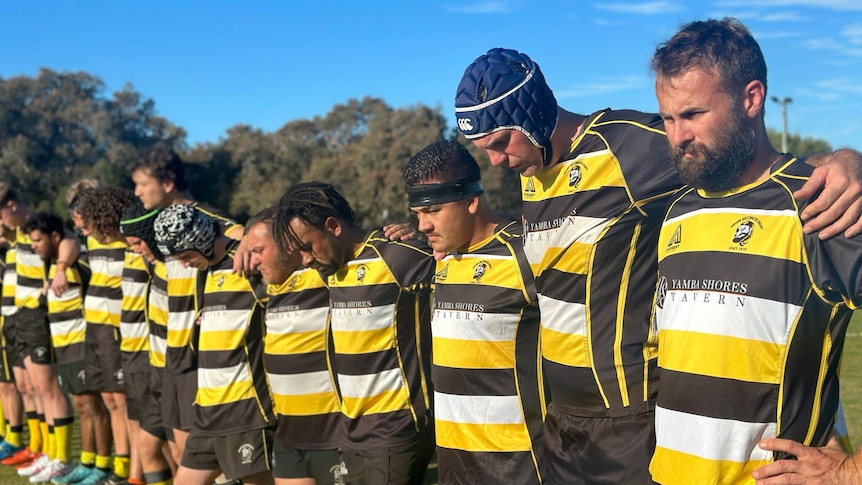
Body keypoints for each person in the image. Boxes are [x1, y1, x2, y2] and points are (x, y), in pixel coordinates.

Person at [455, 47, 862, 484]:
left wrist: (845, 164)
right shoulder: (530, 176)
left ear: (531, 112)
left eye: (500, 143)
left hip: (626, 425)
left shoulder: (626, 146)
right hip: (564, 426)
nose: (495, 161)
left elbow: (744, 164)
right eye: (484, 150)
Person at [648, 17, 862, 484]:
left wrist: (849, 472)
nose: (677, 135)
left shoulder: (818, 203)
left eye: (693, 115)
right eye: (667, 118)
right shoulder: (677, 212)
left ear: (752, 98)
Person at [403, 140, 545, 484]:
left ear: (471, 200)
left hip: (519, 464)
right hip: (453, 463)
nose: (423, 225)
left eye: (433, 211)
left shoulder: (526, 253)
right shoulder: (440, 260)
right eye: (418, 214)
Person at [274, 182, 435, 485]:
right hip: (350, 431)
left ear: (333, 226)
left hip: (394, 427)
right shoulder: (329, 271)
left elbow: (455, 265)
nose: (306, 260)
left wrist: (424, 240)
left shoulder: (396, 256)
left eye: (308, 247)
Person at [130, 143, 243, 467]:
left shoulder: (205, 217)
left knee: (210, 462)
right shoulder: (161, 223)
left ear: (166, 184)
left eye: (142, 184)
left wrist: (220, 303)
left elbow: (248, 240)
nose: (137, 191)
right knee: (182, 455)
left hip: (198, 356)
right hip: (171, 354)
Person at [154, 204, 275, 485]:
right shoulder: (205, 270)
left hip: (244, 410)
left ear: (202, 242)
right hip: (207, 410)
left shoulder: (249, 263)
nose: (184, 264)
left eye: (185, 256)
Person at [245, 207, 344, 485]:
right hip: (288, 435)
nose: (253, 260)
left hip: (332, 432)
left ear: (287, 244)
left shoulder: (323, 274)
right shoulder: (267, 285)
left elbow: (359, 247)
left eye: (259, 250)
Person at [0, 184, 81, 480]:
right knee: (30, 389)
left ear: (10, 205)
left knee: (49, 389)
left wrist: (59, 268)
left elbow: (71, 242)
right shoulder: (17, 233)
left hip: (37, 315)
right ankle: (46, 452)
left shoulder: (40, 228)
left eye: (0, 215)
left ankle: (62, 457)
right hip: (17, 317)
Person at [76, 187, 139, 485]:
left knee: (121, 399)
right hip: (95, 326)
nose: (82, 227)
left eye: (86, 220)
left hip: (118, 327)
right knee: (107, 398)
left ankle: (128, 468)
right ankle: (117, 464)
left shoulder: (128, 240)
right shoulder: (91, 239)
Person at [118, 200, 174, 485]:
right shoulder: (155, 266)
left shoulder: (179, 266)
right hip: (156, 370)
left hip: (177, 374)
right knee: (148, 446)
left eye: (138, 242)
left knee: (179, 454)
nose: (136, 250)